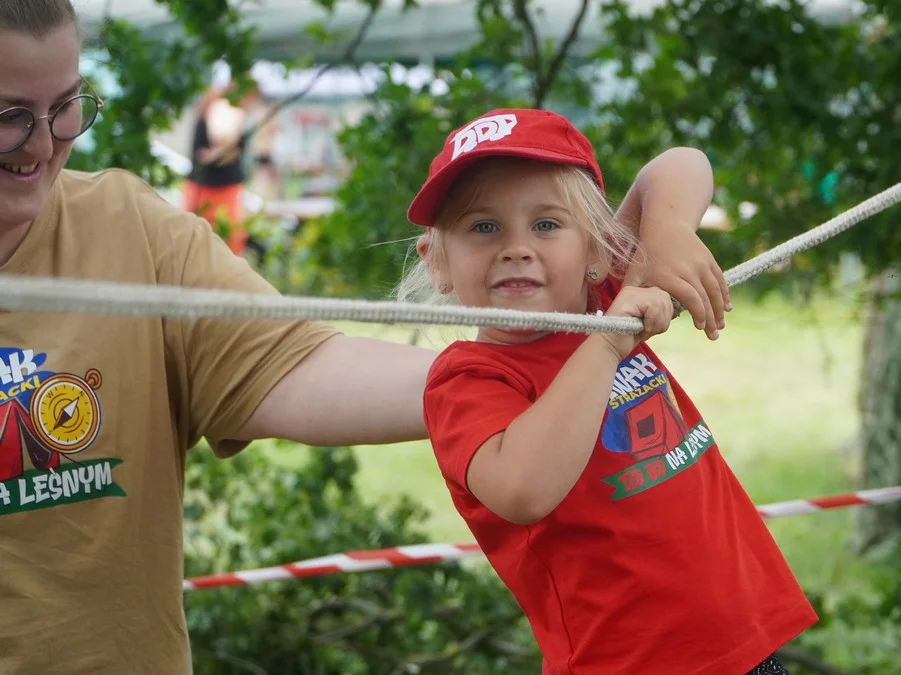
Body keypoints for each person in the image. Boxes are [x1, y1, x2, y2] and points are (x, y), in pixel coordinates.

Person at [0, 3, 732, 674]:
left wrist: (537, 362)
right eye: (10, 116)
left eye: (65, 108)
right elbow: (521, 478)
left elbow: (296, 367)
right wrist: (533, 376)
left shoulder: (128, 229)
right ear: (436, 261)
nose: (42, 144)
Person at [407, 107, 818, 675]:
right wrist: (603, 347)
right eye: (483, 227)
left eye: (546, 224)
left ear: (598, 249)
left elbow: (680, 164)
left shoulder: (602, 295)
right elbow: (522, 489)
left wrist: (667, 234)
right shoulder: (468, 378)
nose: (516, 247)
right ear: (438, 263)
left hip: (744, 646)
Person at [181, 85, 254, 255]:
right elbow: (200, 154)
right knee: (195, 236)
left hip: (226, 188)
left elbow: (237, 148)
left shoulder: (235, 117)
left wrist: (222, 152)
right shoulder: (204, 120)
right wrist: (218, 153)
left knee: (231, 236)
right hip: (202, 187)